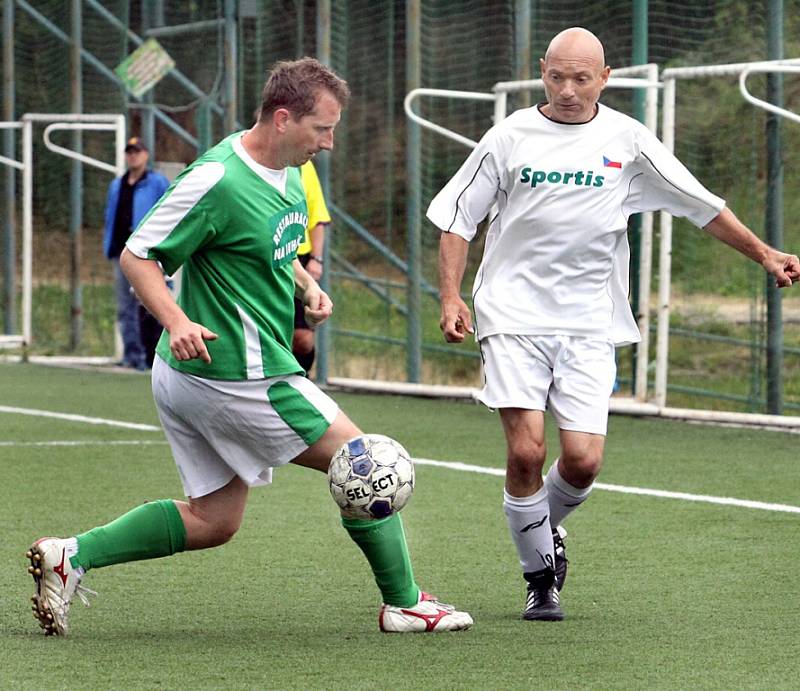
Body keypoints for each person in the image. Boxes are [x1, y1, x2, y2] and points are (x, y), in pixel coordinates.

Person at [26, 57, 472, 636]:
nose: (331, 143)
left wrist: (306, 284)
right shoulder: (219, 179)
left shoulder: (290, 169)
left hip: (201, 376)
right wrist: (176, 318)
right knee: (365, 462)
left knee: (214, 521)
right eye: (323, 129)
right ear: (283, 119)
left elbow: (271, 250)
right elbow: (139, 255)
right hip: (237, 373)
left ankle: (70, 555)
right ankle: (405, 602)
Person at [428, 27, 800, 622]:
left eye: (582, 78)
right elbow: (455, 219)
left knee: (583, 462)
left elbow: (701, 203)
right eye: (557, 77)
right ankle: (539, 577)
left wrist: (764, 253)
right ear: (541, 71)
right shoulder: (508, 137)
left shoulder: (627, 141)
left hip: (587, 322)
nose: (568, 90)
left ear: (606, 78)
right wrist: (450, 296)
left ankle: (544, 529)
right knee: (526, 453)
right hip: (511, 313)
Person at [103, 137, 170, 370]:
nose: (133, 156)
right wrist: (109, 245)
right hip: (122, 253)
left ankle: (155, 356)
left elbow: (167, 211)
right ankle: (132, 354)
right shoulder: (117, 184)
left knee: (152, 304)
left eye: (137, 151)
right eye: (129, 152)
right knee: (125, 308)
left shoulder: (157, 183)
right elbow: (111, 216)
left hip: (146, 254)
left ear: (146, 154)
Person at [293, 161, 330, 374]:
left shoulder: (304, 167)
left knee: (303, 339)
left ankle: (303, 378)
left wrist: (316, 259)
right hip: (265, 257)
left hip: (301, 258)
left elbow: (317, 217)